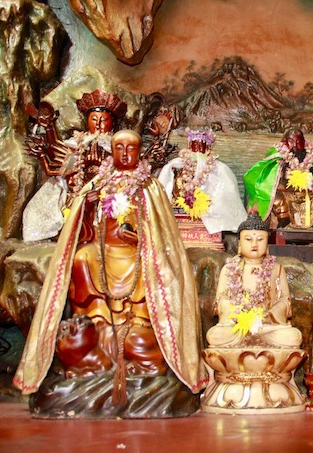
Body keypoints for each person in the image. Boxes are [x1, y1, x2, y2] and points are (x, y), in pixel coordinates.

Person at [14, 130, 208, 401]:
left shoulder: (150, 187)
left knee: (149, 267)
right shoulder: (98, 182)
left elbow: (162, 233)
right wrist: (87, 208)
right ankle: (96, 321)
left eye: (131, 148)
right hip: (102, 250)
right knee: (82, 258)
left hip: (137, 252)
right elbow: (80, 229)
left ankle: (139, 320)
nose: (125, 154)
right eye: (119, 148)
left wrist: (140, 239)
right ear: (112, 151)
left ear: (139, 152)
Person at [23, 90, 128, 242]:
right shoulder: (77, 145)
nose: (98, 124)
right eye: (94, 119)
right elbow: (62, 168)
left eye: (104, 119)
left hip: (109, 194)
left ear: (112, 122)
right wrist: (48, 131)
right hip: (79, 194)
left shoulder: (120, 147)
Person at [243, 129, 313, 255]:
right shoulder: (277, 158)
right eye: (291, 141)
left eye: (298, 141)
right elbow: (264, 180)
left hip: (306, 196)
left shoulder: (308, 157)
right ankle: (284, 225)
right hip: (285, 195)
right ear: (285, 142)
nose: (295, 145)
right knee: (276, 200)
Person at [205, 213, 302, 348]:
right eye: (248, 239)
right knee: (214, 336)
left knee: (293, 337)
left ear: (267, 244)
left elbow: (285, 301)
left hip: (266, 327)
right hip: (237, 326)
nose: (254, 244)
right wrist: (236, 311)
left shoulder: (276, 269)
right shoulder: (229, 269)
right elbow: (221, 300)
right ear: (239, 244)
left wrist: (267, 315)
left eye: (260, 239)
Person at [157, 128, 246, 234]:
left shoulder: (217, 168)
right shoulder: (178, 165)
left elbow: (226, 192)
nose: (197, 151)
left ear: (207, 149)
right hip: (182, 208)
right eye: (194, 146)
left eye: (200, 146)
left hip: (207, 208)